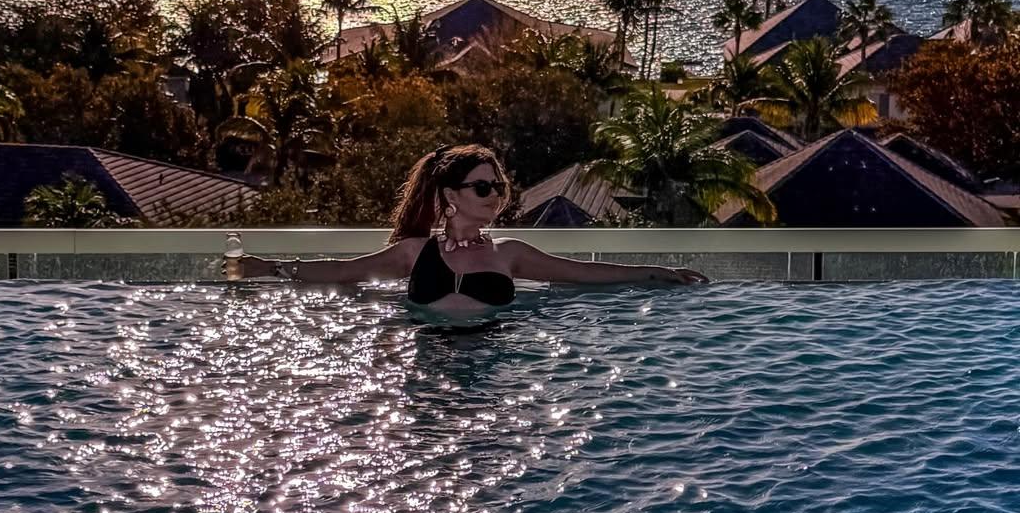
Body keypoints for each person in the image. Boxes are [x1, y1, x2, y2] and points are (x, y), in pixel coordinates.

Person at [228, 144, 707, 319]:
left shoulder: (510, 254)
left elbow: (581, 273)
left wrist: (654, 273)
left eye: (498, 186)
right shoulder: (414, 252)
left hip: (489, 362)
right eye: (482, 187)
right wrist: (268, 268)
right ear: (450, 196)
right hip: (427, 361)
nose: (494, 195)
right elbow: (343, 272)